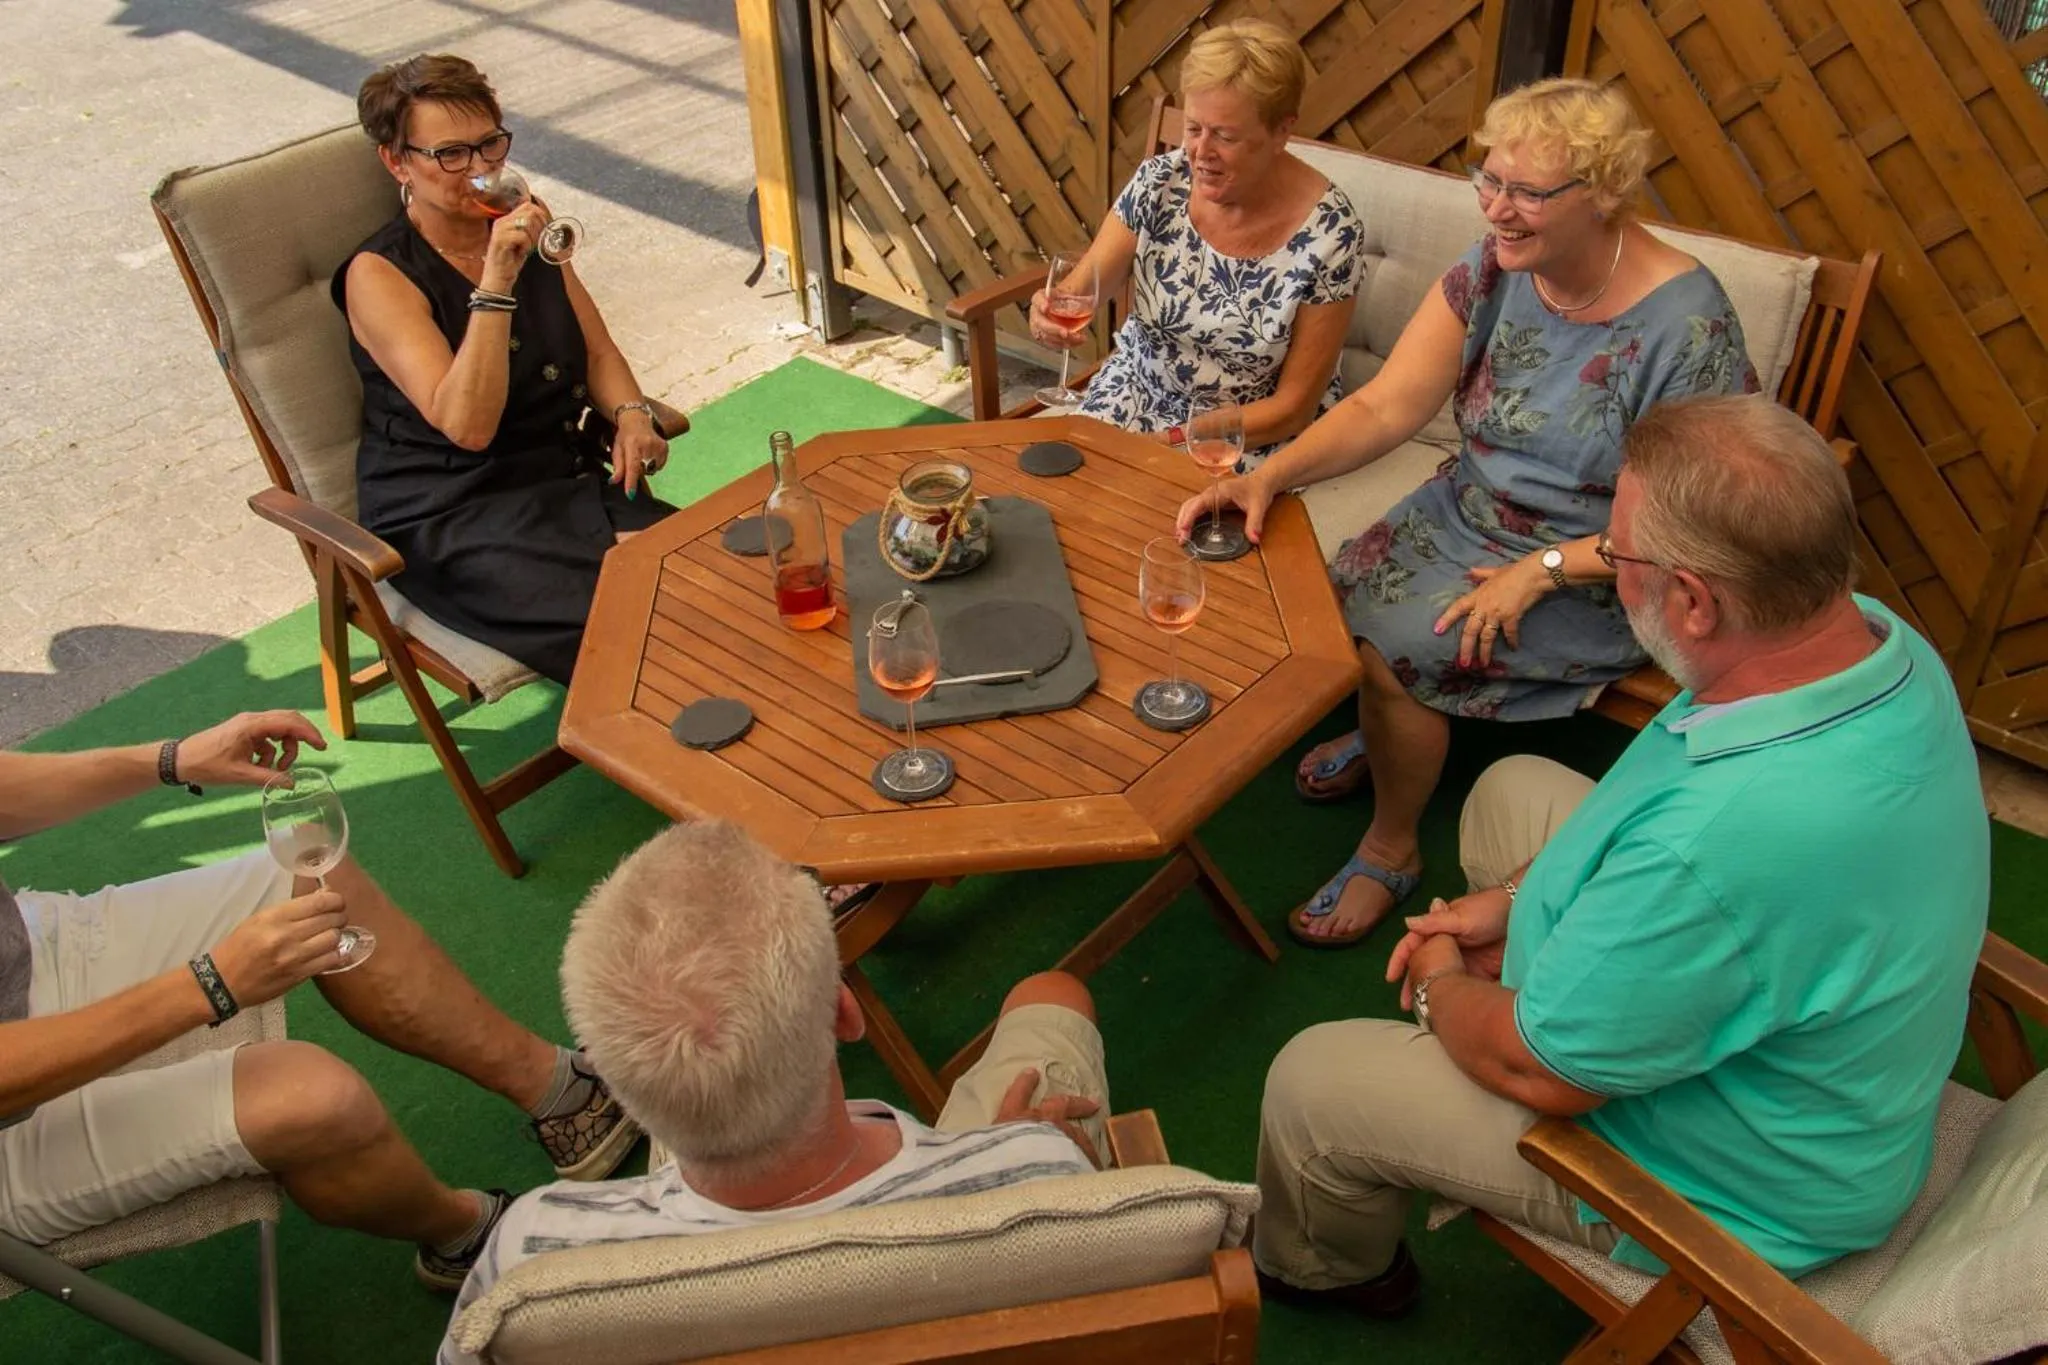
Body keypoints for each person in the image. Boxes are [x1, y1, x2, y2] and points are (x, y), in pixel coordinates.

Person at [1251, 394, 1988, 1315]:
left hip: (1736, 1187)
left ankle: (1334, 1274)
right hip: (1823, 1049)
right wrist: (1517, 899)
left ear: (1695, 602)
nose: (1603, 562)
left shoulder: (1722, 844)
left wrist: (1439, 979)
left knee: (1314, 1085)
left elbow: (1543, 1073)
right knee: (1510, 791)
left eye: (1618, 552)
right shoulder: (1872, 638)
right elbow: (1680, 837)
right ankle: (1561, 973)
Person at [1179, 77, 1760, 948]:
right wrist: (1271, 476)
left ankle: (1392, 844)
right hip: (1470, 507)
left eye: (1527, 191)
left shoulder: (1688, 326)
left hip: (1606, 562)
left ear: (1603, 194)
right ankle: (1387, 729)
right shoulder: (1496, 264)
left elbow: (1692, 524)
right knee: (1328, 588)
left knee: (1403, 641)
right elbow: (1387, 405)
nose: (1497, 207)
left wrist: (1543, 570)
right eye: (1489, 179)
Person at [0, 710, 641, 1290]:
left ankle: (568, 1097)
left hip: (27, 953)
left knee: (311, 874)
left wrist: (173, 759)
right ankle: (465, 1234)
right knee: (314, 1099)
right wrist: (209, 985)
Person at [438, 819, 1114, 1363]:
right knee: (1051, 993)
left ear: (612, 1078)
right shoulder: (1039, 1173)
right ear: (846, 1013)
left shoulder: (527, 1257)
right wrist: (1013, 1152)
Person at [335, 53, 682, 686]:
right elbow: (466, 426)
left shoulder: (526, 220)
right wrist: (496, 279)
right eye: (451, 154)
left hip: (558, 479)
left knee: (702, 574)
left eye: (490, 143)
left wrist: (632, 414)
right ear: (397, 162)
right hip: (452, 514)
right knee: (636, 635)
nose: (481, 169)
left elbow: (597, 350)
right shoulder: (379, 276)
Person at [1031, 19, 1360, 463]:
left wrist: (1169, 442)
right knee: (1065, 490)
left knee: (1164, 507)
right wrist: (1048, 312)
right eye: (1193, 128)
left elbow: (1294, 408)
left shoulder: (1332, 232)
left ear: (1281, 132)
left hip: (1245, 431)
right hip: (1135, 390)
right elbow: (1084, 288)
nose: (1200, 152)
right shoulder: (1159, 183)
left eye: (1225, 135)